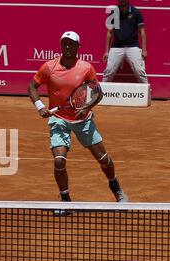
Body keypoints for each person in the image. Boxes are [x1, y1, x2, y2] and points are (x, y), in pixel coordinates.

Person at [28, 31, 129, 210]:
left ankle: (116, 188)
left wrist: (87, 108)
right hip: (58, 120)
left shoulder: (86, 68)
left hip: (83, 120)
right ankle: (66, 201)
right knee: (59, 160)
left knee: (103, 159)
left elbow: (97, 92)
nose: (67, 47)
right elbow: (32, 86)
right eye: (64, 43)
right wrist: (40, 106)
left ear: (77, 47)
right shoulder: (49, 67)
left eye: (71, 44)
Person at [102, 0, 147, 83]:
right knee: (109, 71)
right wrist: (106, 51)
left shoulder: (136, 12)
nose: (122, 1)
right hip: (117, 46)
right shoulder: (114, 13)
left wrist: (144, 50)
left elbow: (142, 32)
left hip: (133, 46)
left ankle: (147, 94)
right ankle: (101, 94)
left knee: (140, 71)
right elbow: (109, 33)